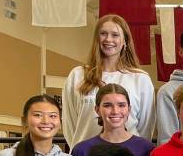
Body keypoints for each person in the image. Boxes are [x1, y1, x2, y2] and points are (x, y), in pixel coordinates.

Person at [62, 14, 155, 147]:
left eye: (115, 35)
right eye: (103, 34)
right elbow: (70, 125)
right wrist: (81, 150)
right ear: (96, 39)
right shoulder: (77, 75)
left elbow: (145, 127)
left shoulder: (140, 79)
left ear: (125, 41)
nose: (108, 39)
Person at [71, 84, 155, 156]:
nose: (115, 111)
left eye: (121, 105)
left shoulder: (146, 149)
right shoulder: (82, 150)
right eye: (107, 105)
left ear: (129, 109)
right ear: (97, 110)